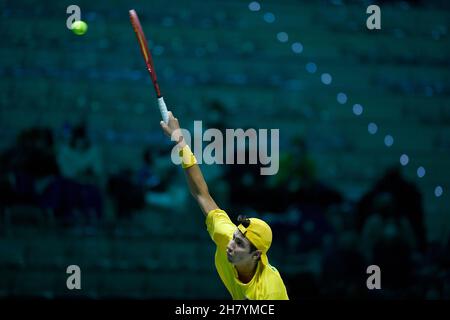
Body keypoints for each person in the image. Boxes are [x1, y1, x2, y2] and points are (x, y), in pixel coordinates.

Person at [160, 111, 289, 300]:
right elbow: (201, 194)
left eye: (239, 244)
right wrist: (180, 141)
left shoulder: (270, 290)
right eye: (235, 236)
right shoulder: (226, 236)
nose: (230, 244)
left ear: (256, 255)